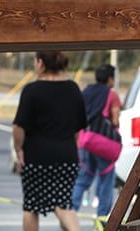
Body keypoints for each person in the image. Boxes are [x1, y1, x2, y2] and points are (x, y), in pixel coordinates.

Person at [12, 51, 87, 231]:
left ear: (40, 63)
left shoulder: (31, 91)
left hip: (36, 157)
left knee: (31, 206)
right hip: (66, 156)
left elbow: (18, 127)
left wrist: (19, 150)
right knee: (63, 204)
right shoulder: (73, 88)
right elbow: (79, 128)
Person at [72, 64, 122, 223]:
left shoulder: (86, 91)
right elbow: (114, 120)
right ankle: (102, 219)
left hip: (85, 141)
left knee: (82, 180)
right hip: (103, 144)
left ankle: (70, 214)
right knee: (106, 180)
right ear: (110, 79)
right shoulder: (112, 95)